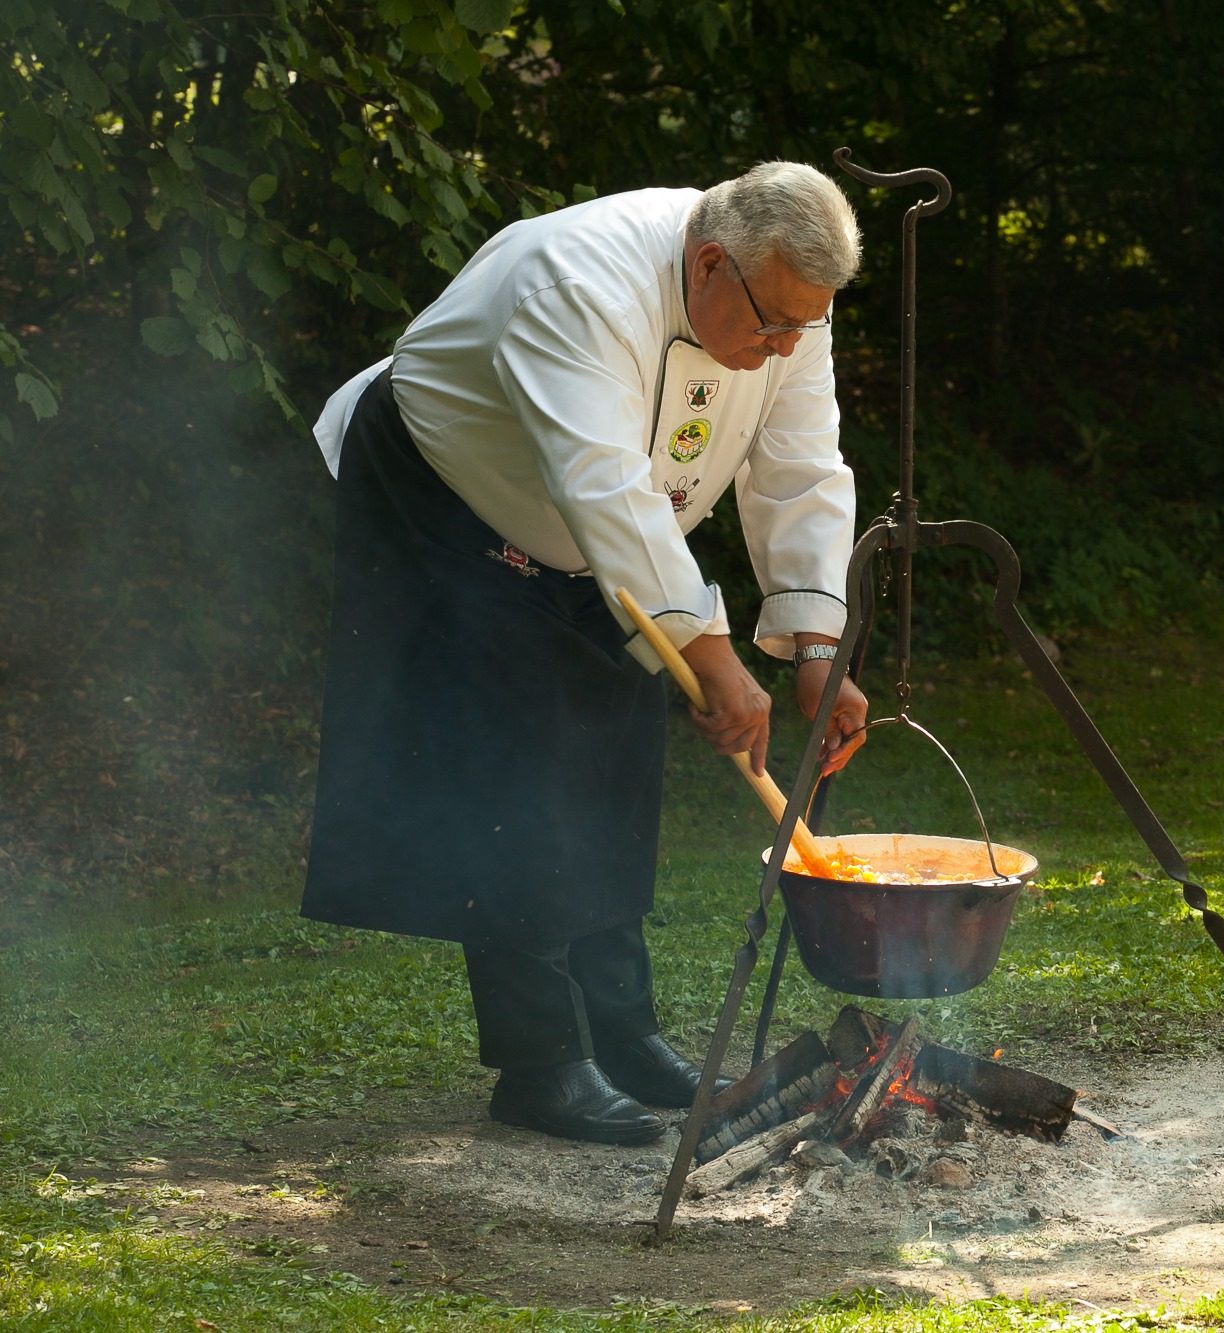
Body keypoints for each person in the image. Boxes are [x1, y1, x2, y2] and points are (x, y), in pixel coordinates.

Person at [300, 162, 870, 1146]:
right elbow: (603, 483)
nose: (782, 345)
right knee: (511, 763)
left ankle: (621, 1028)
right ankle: (540, 1062)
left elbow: (799, 469)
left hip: (590, 533)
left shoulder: (785, 302)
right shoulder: (576, 285)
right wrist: (715, 657)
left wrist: (815, 645)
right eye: (771, 323)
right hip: (440, 504)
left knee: (612, 752)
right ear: (706, 264)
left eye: (800, 328)